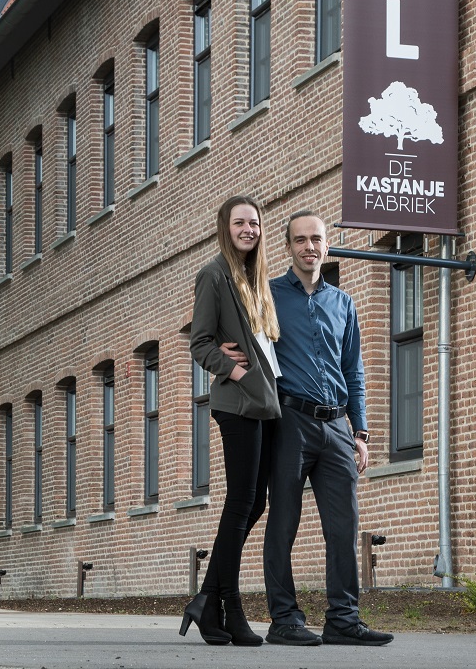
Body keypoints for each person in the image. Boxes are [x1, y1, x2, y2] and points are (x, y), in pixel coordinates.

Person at [253, 210, 393, 646]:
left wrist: (360, 431)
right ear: (288, 247)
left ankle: (343, 620)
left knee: (343, 526)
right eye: (300, 240)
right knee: (284, 523)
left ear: (326, 245)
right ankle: (284, 619)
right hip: (289, 423)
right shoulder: (268, 296)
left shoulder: (343, 303)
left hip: (336, 427)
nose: (309, 247)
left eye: (316, 239)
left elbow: (354, 370)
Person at [181, 195, 282, 647]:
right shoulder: (214, 275)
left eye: (254, 223)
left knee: (254, 503)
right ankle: (230, 606)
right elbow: (200, 343)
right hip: (237, 402)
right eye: (240, 222)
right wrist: (237, 373)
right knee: (242, 502)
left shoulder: (255, 278)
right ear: (225, 227)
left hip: (265, 402)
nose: (248, 229)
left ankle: (207, 599)